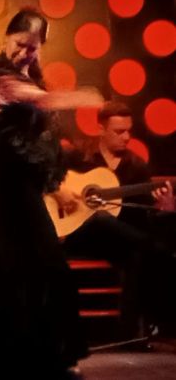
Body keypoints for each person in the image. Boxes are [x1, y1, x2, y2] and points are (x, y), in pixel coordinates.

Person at [0, 8, 103, 378]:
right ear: (6, 39)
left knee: (21, 266)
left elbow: (43, 142)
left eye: (33, 47)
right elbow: (38, 102)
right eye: (20, 44)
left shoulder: (31, 76)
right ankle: (40, 354)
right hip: (5, 183)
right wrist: (80, 97)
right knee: (28, 262)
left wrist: (54, 185)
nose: (25, 52)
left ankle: (25, 353)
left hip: (24, 181)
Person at [58, 101, 176, 337]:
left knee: (136, 255)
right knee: (100, 217)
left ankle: (128, 333)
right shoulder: (78, 155)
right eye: (119, 131)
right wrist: (59, 191)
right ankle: (160, 249)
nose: (127, 137)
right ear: (101, 129)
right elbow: (44, 175)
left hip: (115, 240)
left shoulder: (137, 166)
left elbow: (141, 217)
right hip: (76, 234)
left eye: (128, 131)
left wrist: (163, 208)